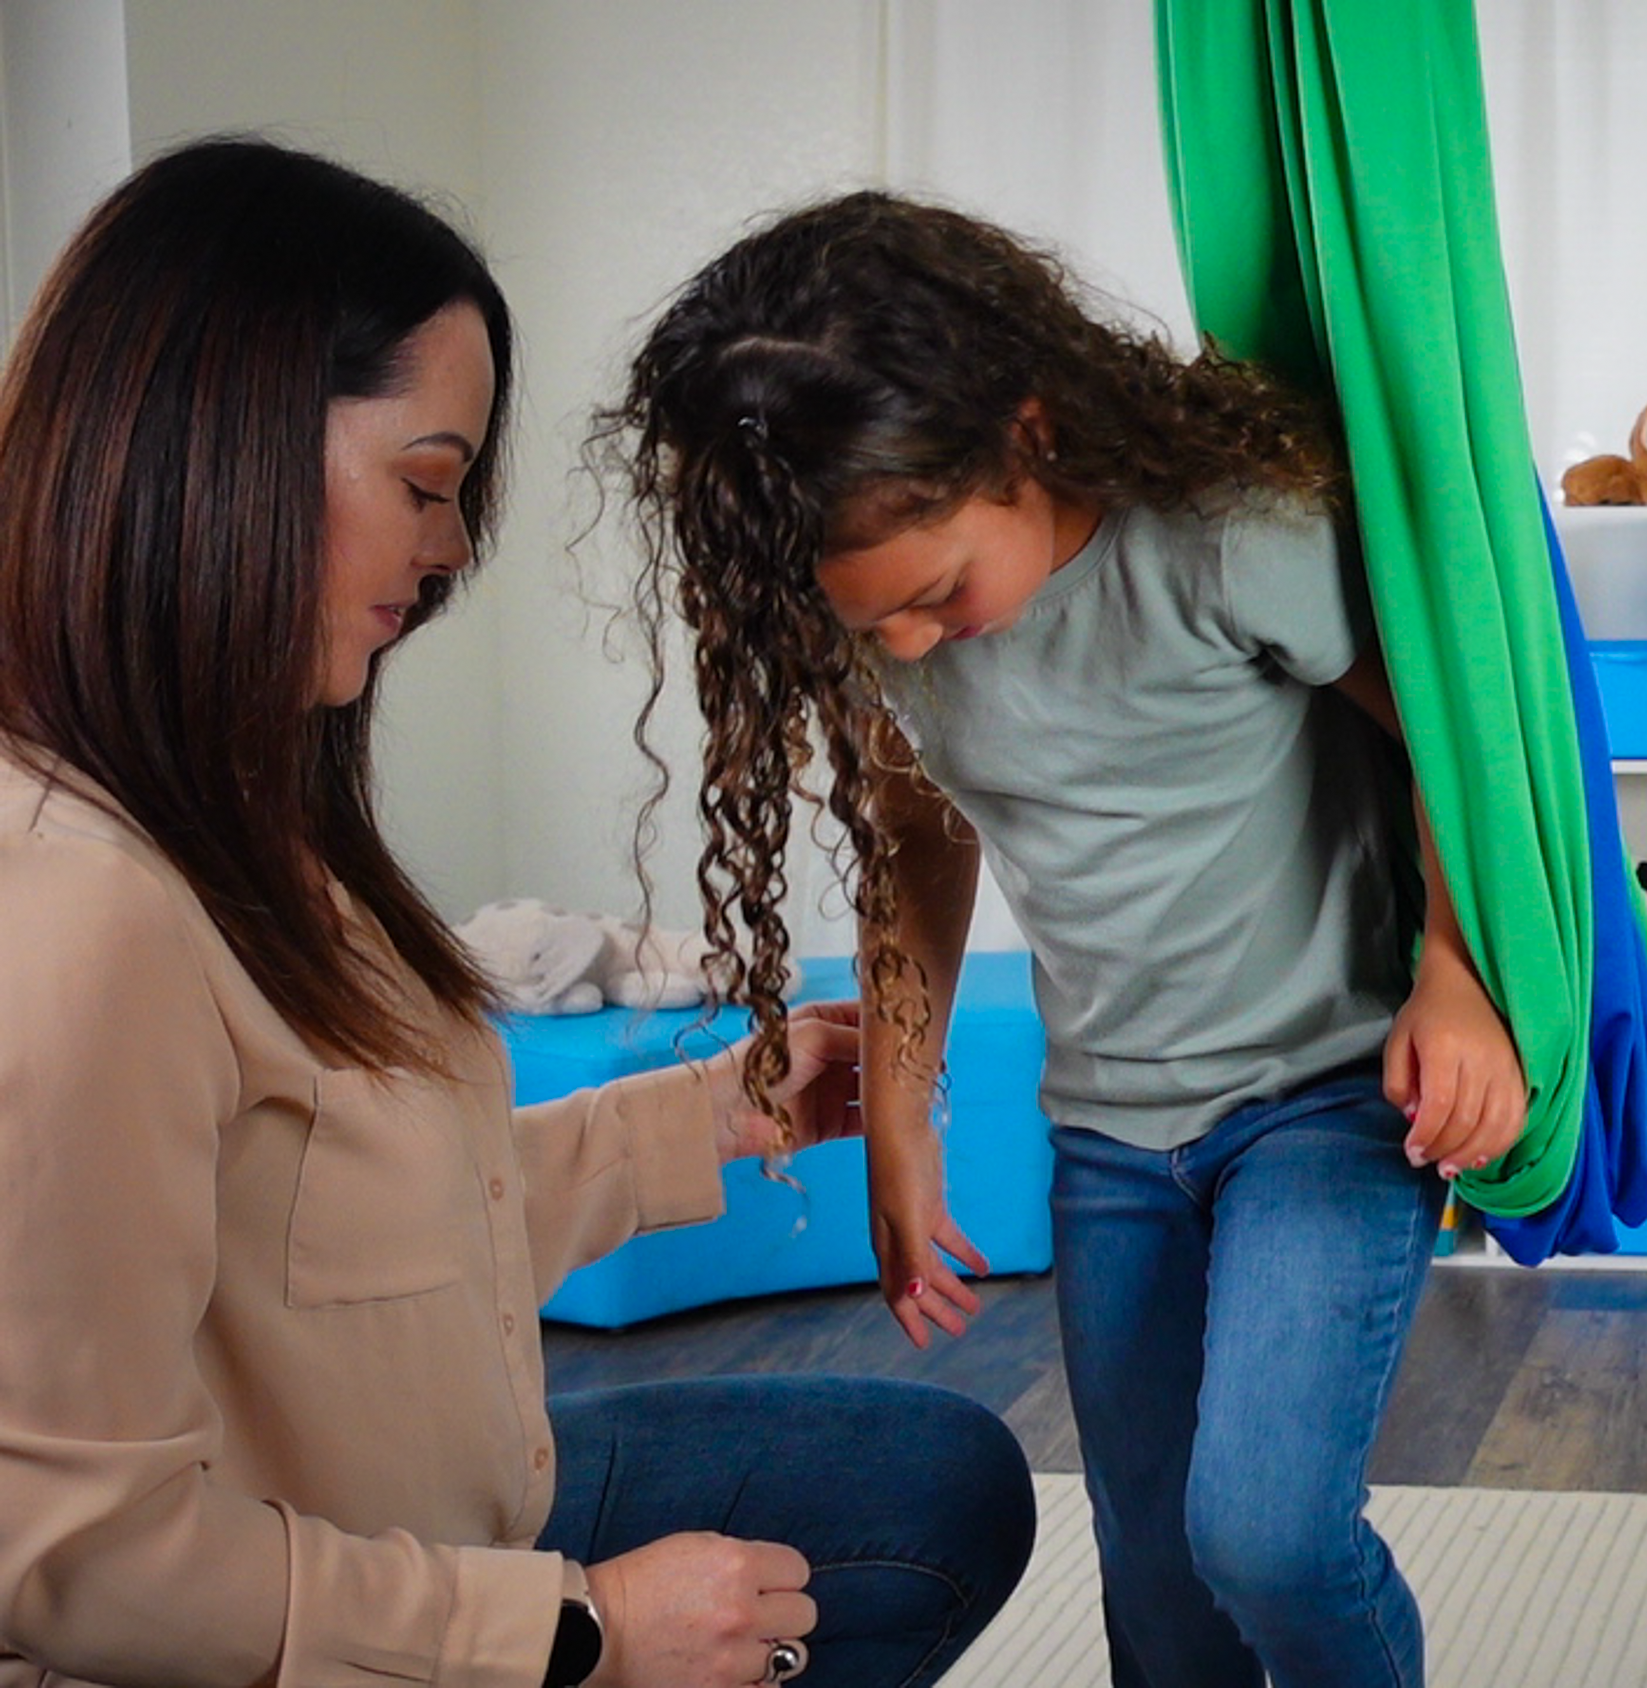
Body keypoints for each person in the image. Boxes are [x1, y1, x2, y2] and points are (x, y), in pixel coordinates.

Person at [0, 139, 1034, 1688]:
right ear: (216, 441)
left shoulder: (240, 810)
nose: (455, 549)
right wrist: (582, 1636)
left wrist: (728, 1109)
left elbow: (360, 1233)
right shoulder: (80, 917)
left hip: (449, 1517)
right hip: (336, 1621)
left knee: (934, 1484)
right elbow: (73, 1562)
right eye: (426, 484)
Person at [604, 191, 1531, 1688]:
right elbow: (915, 842)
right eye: (870, 624)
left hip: (1328, 1098)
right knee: (1157, 1583)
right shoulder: (872, 614)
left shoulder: (1228, 541)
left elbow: (1449, 734)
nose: (905, 647)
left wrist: (1460, 977)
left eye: (934, 597)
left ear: (1026, 431)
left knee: (1270, 1536)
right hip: (1111, 1138)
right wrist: (903, 1127)